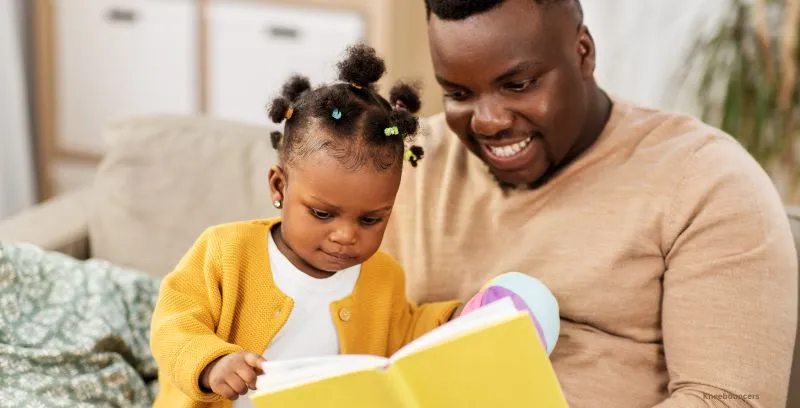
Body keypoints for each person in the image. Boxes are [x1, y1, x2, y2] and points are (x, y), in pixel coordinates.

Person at [380, 0, 799, 407]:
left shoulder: (704, 178)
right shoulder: (403, 164)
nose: (489, 120)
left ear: (583, 52)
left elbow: (728, 399)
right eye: (458, 93)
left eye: (519, 85)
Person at [149, 44, 462, 408]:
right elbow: (172, 324)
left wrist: (450, 320)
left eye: (371, 219)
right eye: (323, 214)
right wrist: (212, 362)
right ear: (279, 185)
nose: (346, 236)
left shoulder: (384, 277)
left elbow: (405, 332)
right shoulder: (225, 251)